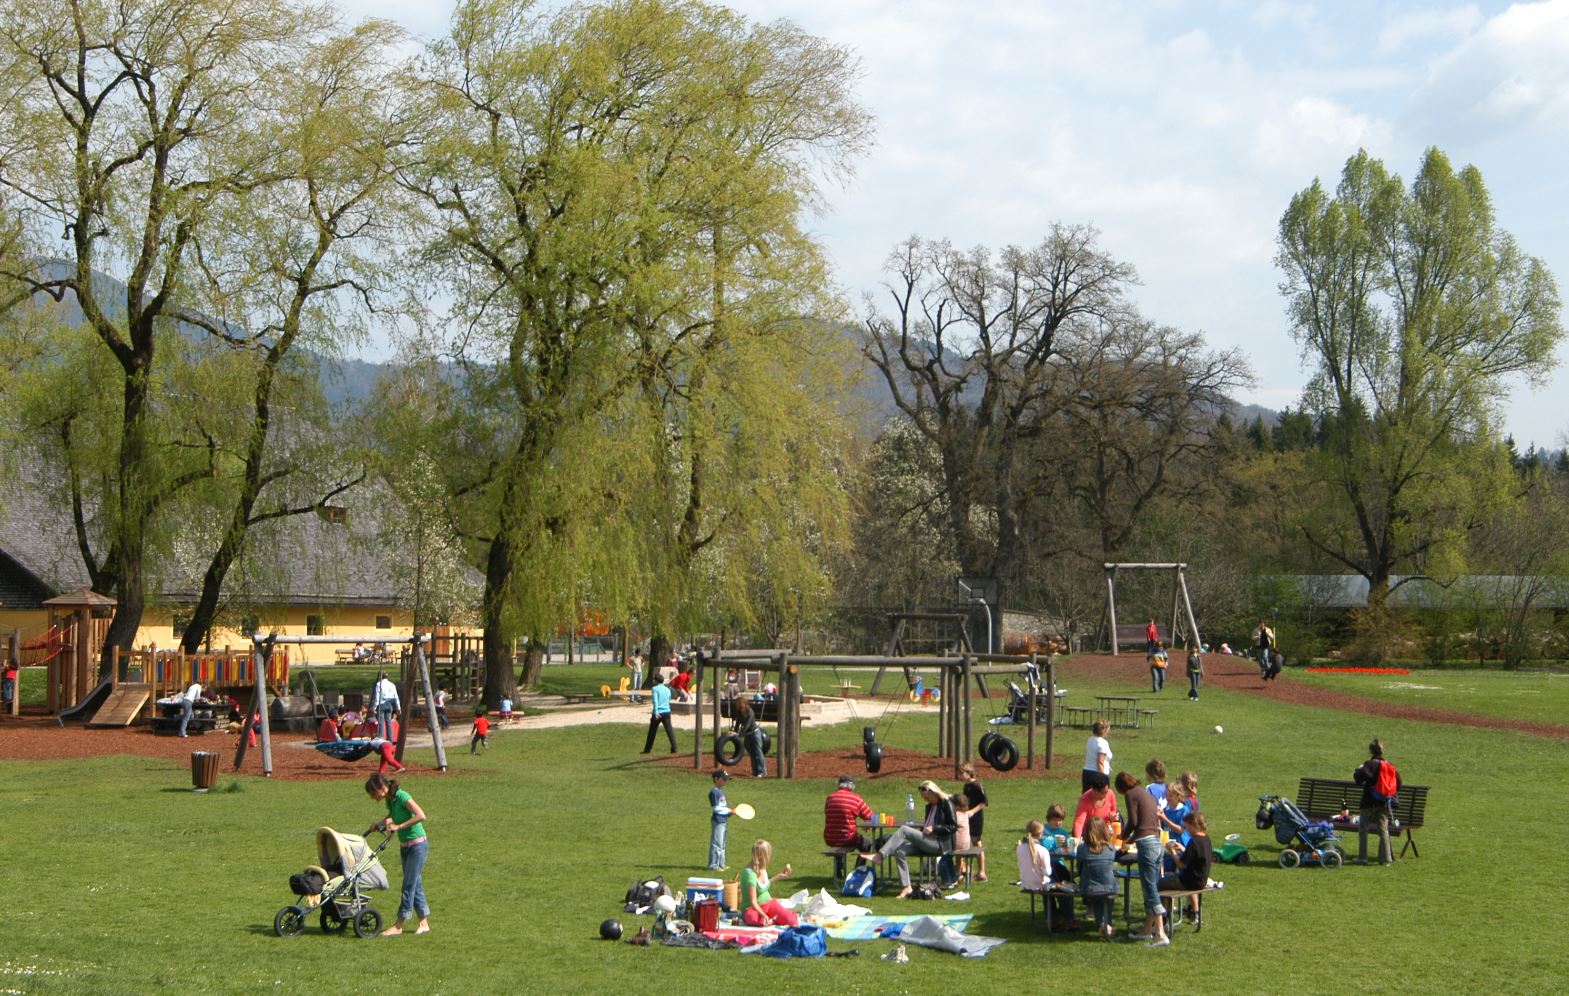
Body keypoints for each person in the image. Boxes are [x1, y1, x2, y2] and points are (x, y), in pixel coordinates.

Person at [860, 780, 957, 899]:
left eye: (926, 797)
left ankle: (880, 855)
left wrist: (934, 829)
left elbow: (953, 826)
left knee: (904, 830)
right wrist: (923, 829)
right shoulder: (930, 806)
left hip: (939, 844)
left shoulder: (947, 803)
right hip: (927, 840)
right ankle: (906, 887)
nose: (925, 800)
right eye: (923, 798)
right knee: (899, 851)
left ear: (933, 792)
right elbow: (929, 823)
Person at [365, 773, 430, 936]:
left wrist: (399, 827)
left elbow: (421, 815)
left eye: (373, 794)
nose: (373, 798)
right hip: (405, 846)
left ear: (381, 789)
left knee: (408, 885)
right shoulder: (390, 799)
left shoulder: (402, 796)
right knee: (416, 884)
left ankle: (399, 925)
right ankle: (424, 923)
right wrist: (379, 824)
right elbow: (392, 816)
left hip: (418, 846)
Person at [1115, 770, 1169, 947]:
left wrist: (1122, 837)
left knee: (1149, 889)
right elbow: (1144, 825)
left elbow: (1134, 821)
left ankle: (1159, 933)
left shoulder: (1131, 794)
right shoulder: (1146, 794)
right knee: (1152, 885)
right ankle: (1147, 928)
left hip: (1146, 845)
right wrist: (1130, 840)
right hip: (1156, 843)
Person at [1353, 738, 1400, 866]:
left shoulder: (1369, 764)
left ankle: (1363, 857)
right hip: (1384, 802)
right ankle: (1386, 860)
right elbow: (1398, 783)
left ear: (1371, 750)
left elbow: (1358, 779)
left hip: (1368, 801)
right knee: (1383, 830)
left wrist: (1359, 769)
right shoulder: (1389, 765)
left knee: (1363, 829)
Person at [823, 775, 875, 880]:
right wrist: (867, 821)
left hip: (830, 838)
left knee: (840, 839)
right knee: (866, 843)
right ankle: (858, 870)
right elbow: (871, 816)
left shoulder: (830, 798)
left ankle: (839, 866)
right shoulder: (855, 799)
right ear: (851, 786)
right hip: (847, 838)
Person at [1077, 816, 1119, 940]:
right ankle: (1107, 924)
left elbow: (1079, 869)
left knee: (1095, 890)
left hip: (1089, 888)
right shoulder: (1111, 848)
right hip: (1109, 887)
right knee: (1108, 890)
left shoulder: (1082, 849)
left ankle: (1102, 924)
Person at [739, 839, 796, 927]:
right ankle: (771, 918)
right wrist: (763, 914)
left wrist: (779, 876)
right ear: (762, 856)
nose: (770, 857)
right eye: (768, 854)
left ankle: (772, 919)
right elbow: (753, 901)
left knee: (791, 920)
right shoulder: (749, 875)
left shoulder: (762, 868)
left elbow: (763, 886)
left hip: (768, 903)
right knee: (753, 918)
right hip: (752, 908)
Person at [959, 763, 989, 882]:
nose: (960, 775)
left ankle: (968, 871)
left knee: (970, 843)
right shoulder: (966, 786)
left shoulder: (977, 785)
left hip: (976, 819)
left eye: (962, 773)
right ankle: (981, 873)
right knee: (977, 844)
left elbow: (984, 802)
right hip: (967, 817)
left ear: (969, 773)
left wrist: (972, 812)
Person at [641, 672, 677, 754]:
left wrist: (656, 712)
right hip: (667, 712)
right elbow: (668, 700)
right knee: (669, 730)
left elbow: (655, 701)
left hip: (658, 712)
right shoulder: (668, 689)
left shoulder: (655, 689)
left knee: (652, 732)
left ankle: (647, 749)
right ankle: (674, 747)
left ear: (656, 681)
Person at [733, 697, 766, 777]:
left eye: (739, 705)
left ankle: (762, 771)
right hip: (748, 735)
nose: (737, 707)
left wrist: (740, 733)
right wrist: (735, 732)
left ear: (743, 704)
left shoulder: (750, 711)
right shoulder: (739, 712)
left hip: (755, 733)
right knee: (751, 753)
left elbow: (747, 725)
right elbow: (737, 723)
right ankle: (755, 771)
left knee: (758, 752)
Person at [708, 769, 731, 871]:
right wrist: (729, 811)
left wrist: (729, 813)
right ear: (716, 779)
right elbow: (716, 808)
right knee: (717, 843)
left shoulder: (721, 792)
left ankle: (721, 864)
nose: (725, 781)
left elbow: (722, 807)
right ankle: (714, 865)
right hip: (718, 821)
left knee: (723, 843)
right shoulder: (714, 792)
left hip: (724, 820)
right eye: (723, 779)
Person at [1082, 718, 1113, 792]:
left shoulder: (1090, 740)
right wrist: (1102, 780)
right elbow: (1100, 762)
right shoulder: (1102, 743)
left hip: (1087, 772)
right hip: (1097, 773)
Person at [370, 671, 400, 740]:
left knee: (381, 723)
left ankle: (381, 739)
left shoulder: (378, 684)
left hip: (381, 704)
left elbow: (377, 698)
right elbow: (396, 697)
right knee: (388, 722)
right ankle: (390, 739)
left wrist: (374, 708)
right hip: (389, 704)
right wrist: (398, 707)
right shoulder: (392, 685)